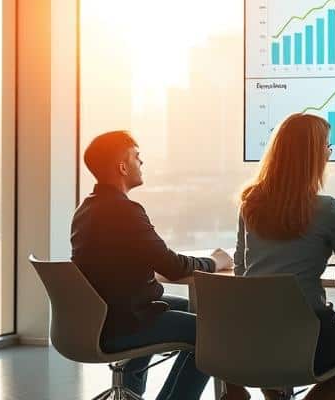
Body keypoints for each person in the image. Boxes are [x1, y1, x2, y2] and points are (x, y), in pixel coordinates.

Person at [71, 130, 233, 400]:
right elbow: (173, 267)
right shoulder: (124, 210)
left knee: (197, 310)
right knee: (214, 333)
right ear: (122, 167)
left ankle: (133, 391)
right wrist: (215, 262)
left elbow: (121, 263)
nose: (141, 162)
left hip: (99, 316)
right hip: (125, 321)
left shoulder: (86, 209)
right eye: (136, 156)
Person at [229, 113, 335, 400]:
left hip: (250, 332)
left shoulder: (250, 203)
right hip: (307, 333)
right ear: (313, 156)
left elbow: (241, 270)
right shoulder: (327, 210)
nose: (329, 154)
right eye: (327, 147)